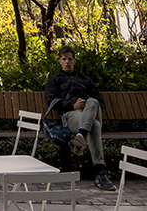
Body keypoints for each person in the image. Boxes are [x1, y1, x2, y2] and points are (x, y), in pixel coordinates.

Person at [45, 45, 115, 191]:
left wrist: (87, 106)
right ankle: (100, 173)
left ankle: (80, 137)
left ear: (75, 61)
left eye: (70, 59)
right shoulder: (54, 79)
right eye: (64, 59)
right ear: (60, 61)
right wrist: (72, 105)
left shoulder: (85, 79)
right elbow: (52, 101)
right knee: (94, 126)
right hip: (70, 115)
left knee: (93, 101)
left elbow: (99, 102)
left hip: (89, 112)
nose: (67, 62)